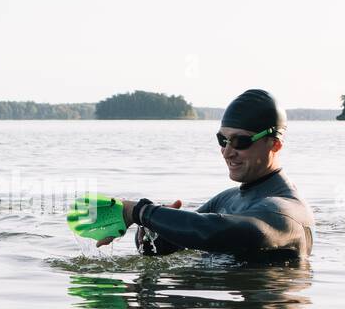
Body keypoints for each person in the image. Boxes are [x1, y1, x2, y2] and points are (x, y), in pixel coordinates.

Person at [96, 89, 314, 260]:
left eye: (240, 142)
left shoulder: (287, 212)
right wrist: (150, 230)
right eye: (223, 140)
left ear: (274, 144)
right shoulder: (227, 199)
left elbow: (214, 232)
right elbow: (162, 248)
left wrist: (140, 212)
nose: (227, 152)